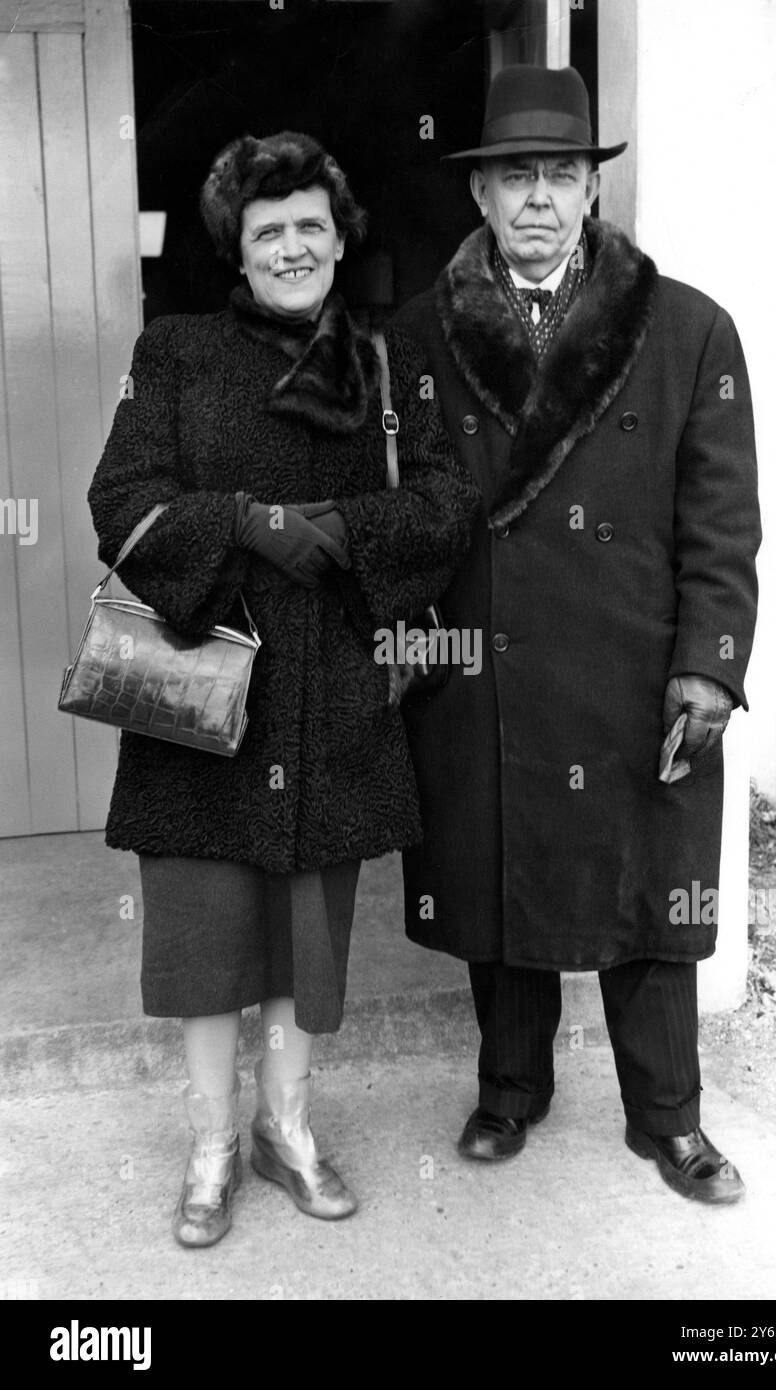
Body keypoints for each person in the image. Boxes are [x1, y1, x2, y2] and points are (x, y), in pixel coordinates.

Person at [87, 130, 479, 1247]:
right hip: (201, 690)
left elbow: (446, 501)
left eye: (312, 225)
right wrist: (247, 523)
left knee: (307, 937)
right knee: (207, 933)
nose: (293, 246)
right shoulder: (175, 353)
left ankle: (286, 1128)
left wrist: (345, 529)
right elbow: (119, 498)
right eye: (269, 231)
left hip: (332, 696)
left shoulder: (387, 362)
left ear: (340, 239)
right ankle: (211, 1145)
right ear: (238, 248)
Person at [393, 65, 762, 1202]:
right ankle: (509, 1089)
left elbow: (721, 520)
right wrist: (407, 648)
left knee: (648, 895)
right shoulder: (419, 334)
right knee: (498, 882)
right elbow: (399, 515)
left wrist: (707, 669)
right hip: (486, 666)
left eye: (560, 173)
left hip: (632, 669)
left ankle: (668, 1119)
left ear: (591, 191)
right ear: (481, 195)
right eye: (516, 176)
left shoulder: (687, 329)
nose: (539, 198)